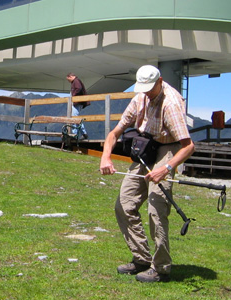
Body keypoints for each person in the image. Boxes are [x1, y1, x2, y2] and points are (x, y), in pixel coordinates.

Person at [99, 65, 195, 283]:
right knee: (124, 204)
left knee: (156, 207)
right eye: (144, 88)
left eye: (151, 88)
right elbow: (115, 133)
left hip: (168, 149)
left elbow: (188, 147)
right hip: (146, 146)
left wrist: (166, 168)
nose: (148, 92)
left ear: (160, 81)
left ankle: (161, 268)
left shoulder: (171, 104)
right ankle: (141, 258)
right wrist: (106, 156)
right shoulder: (139, 98)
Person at [66, 72, 89, 139]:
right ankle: (82, 133)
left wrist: (73, 95)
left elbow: (79, 88)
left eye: (68, 79)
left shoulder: (76, 81)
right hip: (77, 102)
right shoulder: (76, 81)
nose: (68, 81)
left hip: (77, 102)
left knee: (74, 118)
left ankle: (76, 134)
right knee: (74, 117)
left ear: (70, 76)